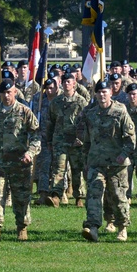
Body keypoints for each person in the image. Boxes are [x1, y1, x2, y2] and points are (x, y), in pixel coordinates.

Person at [0, 79, 41, 241]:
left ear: (15, 92)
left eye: (10, 92)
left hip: (19, 162)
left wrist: (30, 152)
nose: (7, 96)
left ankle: (22, 227)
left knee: (21, 196)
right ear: (0, 93)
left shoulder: (25, 112)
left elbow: (36, 136)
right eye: (4, 92)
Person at [78, 81, 135, 242]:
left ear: (110, 93)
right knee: (94, 194)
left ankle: (122, 227)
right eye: (99, 92)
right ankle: (93, 227)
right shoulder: (91, 114)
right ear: (95, 95)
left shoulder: (120, 111)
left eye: (105, 92)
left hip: (117, 164)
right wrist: (87, 159)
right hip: (97, 163)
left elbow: (130, 138)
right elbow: (87, 141)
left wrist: (124, 154)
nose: (102, 95)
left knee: (118, 196)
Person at [47, 73, 90, 208]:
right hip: (60, 140)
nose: (66, 84)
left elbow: (87, 123)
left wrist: (82, 139)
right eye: (64, 81)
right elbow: (50, 122)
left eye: (69, 82)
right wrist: (49, 140)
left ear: (74, 83)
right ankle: (56, 195)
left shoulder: (81, 102)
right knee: (58, 169)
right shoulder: (56, 102)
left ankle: (78, 196)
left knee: (77, 169)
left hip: (76, 142)